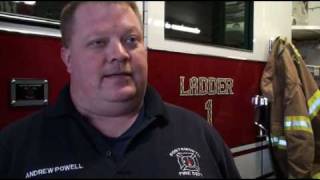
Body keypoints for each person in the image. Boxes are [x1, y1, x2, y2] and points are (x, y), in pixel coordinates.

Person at [0, 2, 240, 178]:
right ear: (68, 58)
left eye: (131, 40)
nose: (119, 54)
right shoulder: (14, 149)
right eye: (98, 42)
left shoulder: (200, 136)